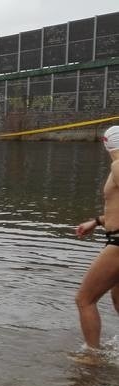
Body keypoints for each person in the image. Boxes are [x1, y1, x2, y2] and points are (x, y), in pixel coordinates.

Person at [74, 125, 119, 350]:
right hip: (115, 238)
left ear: (106, 142)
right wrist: (97, 221)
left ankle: (92, 355)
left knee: (85, 299)